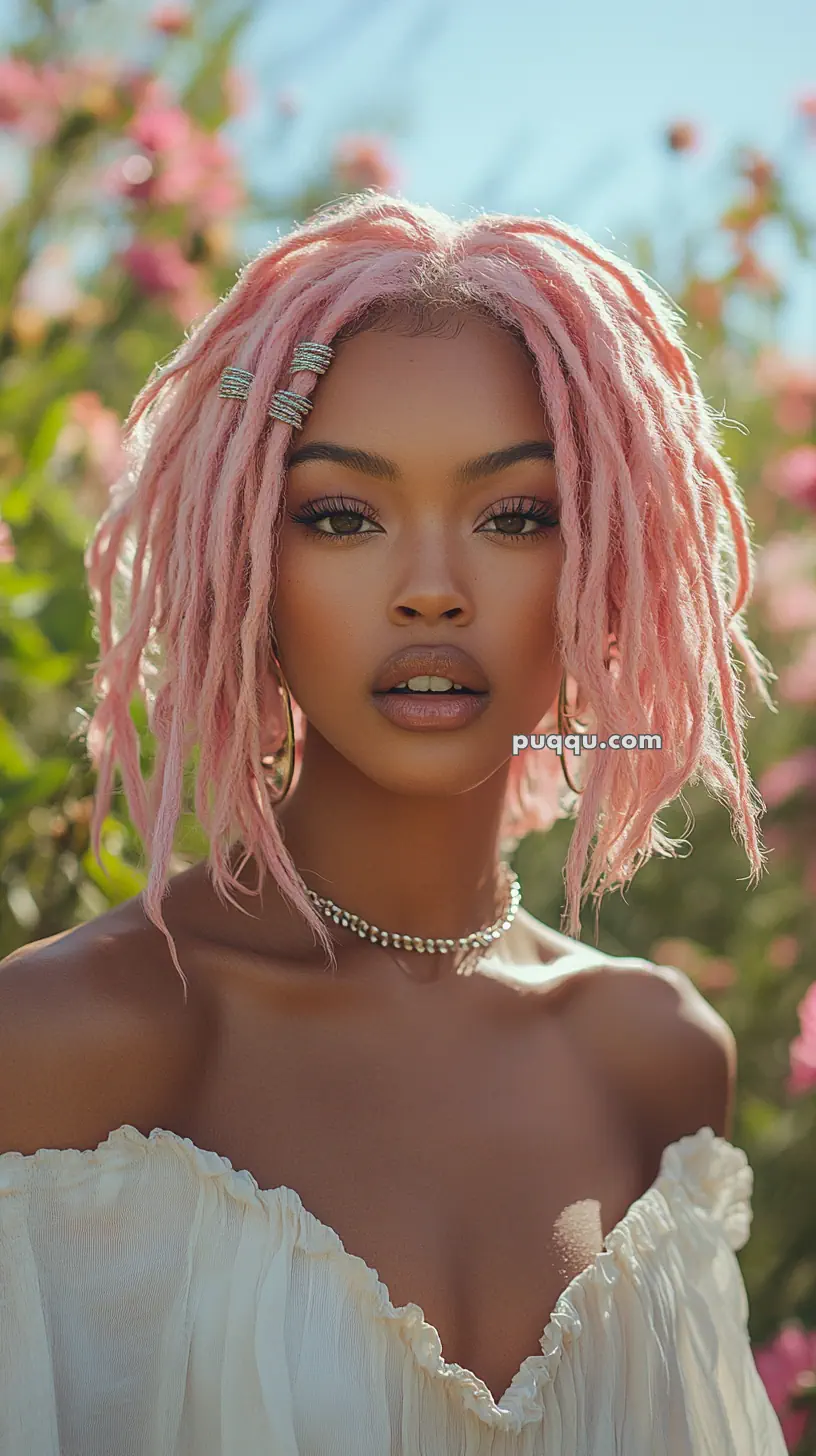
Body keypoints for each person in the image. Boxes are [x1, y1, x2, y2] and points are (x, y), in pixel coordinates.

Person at [0, 191, 787, 1453]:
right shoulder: (67, 1046)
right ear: (244, 564)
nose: (431, 588)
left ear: (611, 567)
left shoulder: (659, 1059)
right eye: (343, 516)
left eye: (517, 515)